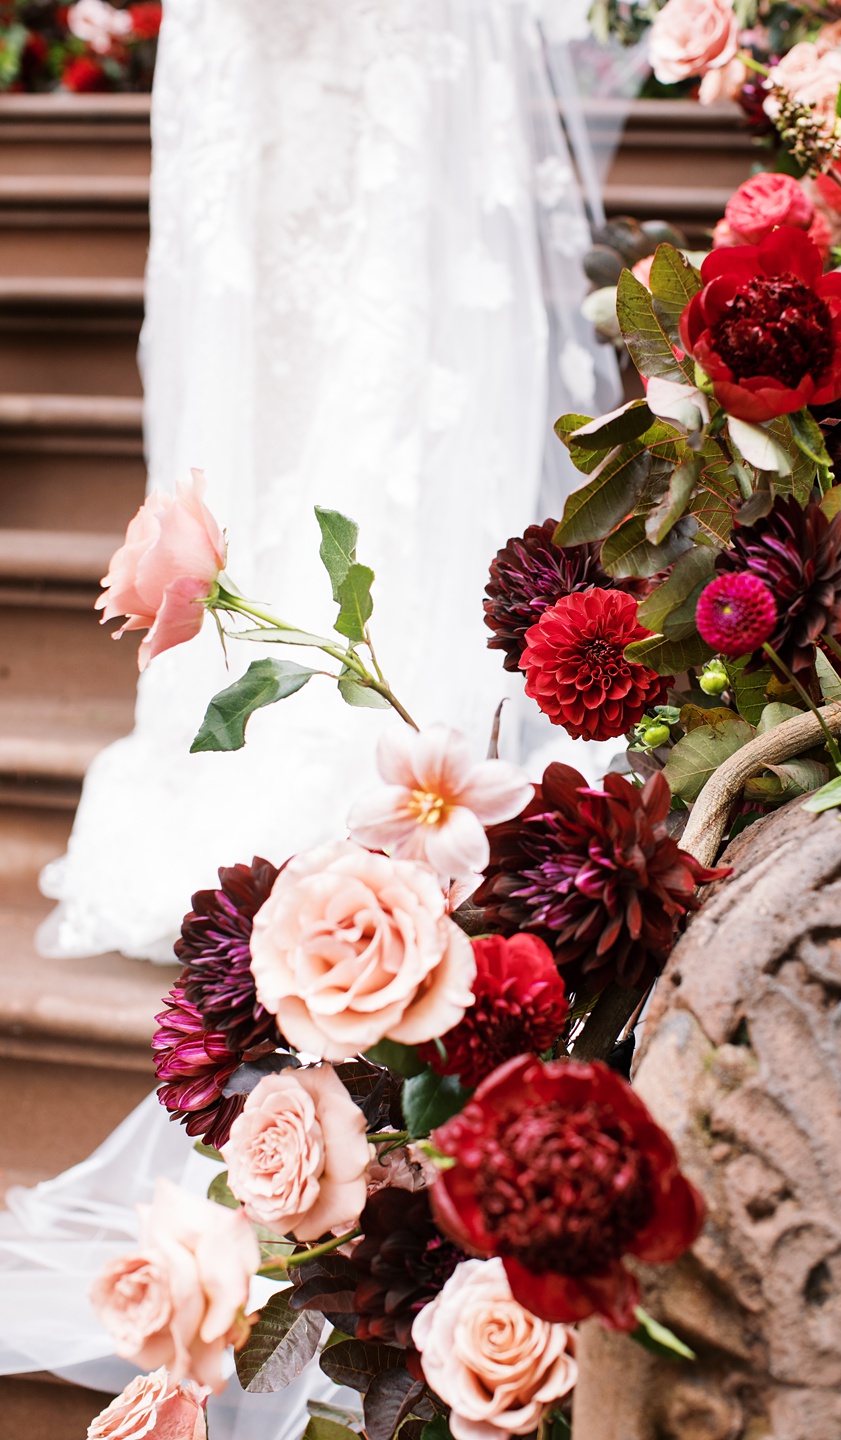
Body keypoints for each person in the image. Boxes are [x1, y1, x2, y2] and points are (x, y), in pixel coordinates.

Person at [0, 0, 619, 1432]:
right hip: (248, 44)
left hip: (395, 39)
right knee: (252, 336)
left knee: (396, 321)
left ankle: (395, 671)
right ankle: (271, 658)